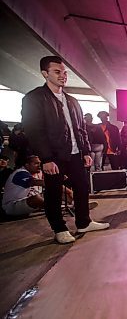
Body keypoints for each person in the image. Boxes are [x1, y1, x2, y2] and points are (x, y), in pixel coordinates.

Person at [21, 56, 109, 243]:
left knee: (82, 187)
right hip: (54, 156)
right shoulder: (34, 98)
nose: (63, 76)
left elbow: (80, 129)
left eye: (64, 72)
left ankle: (84, 222)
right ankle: (59, 229)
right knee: (53, 192)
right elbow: (34, 131)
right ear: (45, 74)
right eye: (57, 72)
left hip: (76, 154)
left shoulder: (72, 100)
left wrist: (85, 151)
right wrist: (45, 158)